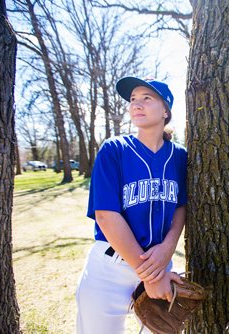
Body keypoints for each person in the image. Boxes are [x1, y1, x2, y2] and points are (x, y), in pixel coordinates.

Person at [76, 77, 187, 334]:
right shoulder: (114, 149)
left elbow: (181, 206)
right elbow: (105, 216)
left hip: (160, 264)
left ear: (166, 110)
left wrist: (168, 249)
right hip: (110, 271)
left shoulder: (179, 156)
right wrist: (152, 276)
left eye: (147, 98)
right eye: (133, 99)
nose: (136, 104)